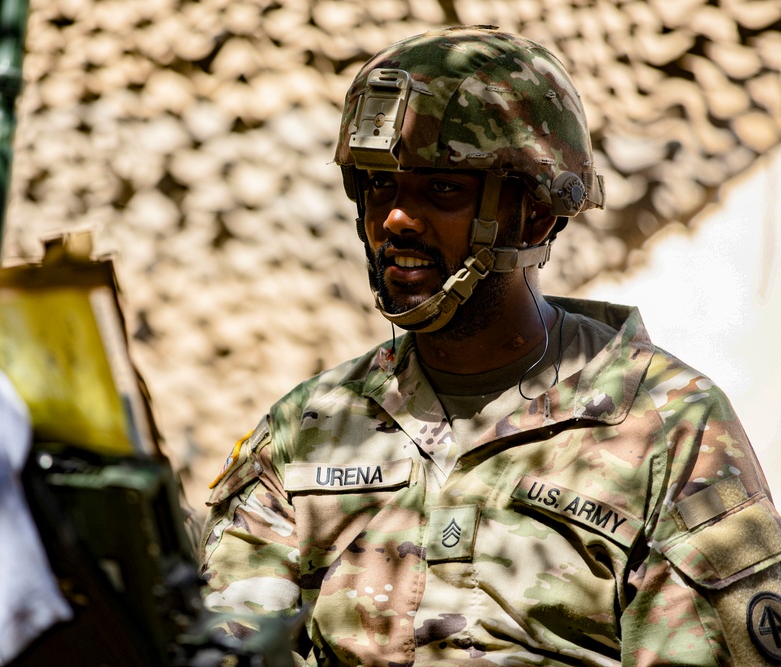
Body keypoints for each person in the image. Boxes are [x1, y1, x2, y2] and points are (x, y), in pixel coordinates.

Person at [200, 26, 781, 666]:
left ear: (532, 214)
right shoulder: (309, 426)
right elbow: (229, 643)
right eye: (379, 186)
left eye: (442, 188)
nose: (394, 219)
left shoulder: (669, 428)